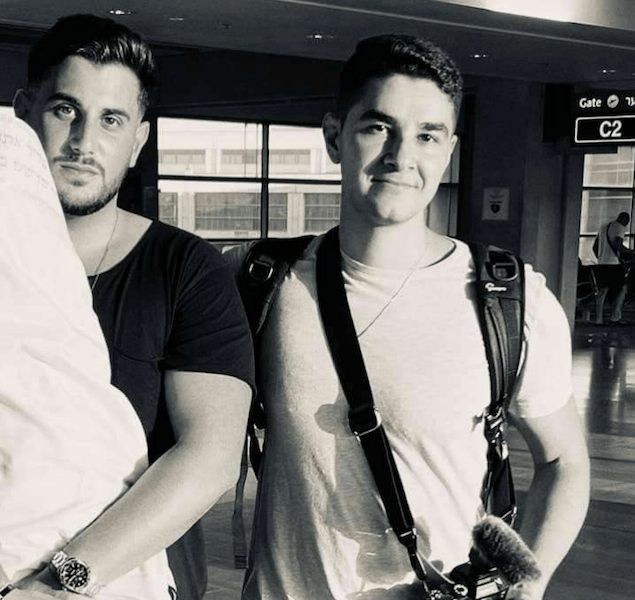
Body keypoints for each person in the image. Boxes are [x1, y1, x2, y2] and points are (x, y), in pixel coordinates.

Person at [0, 14, 254, 600]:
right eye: (64, 109)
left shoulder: (186, 270)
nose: (83, 141)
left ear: (139, 140)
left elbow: (209, 457)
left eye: (111, 119)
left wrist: (58, 586)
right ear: (24, 112)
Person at [240, 35, 591, 600]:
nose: (402, 157)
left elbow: (563, 461)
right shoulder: (259, 280)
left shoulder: (508, 301)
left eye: (427, 135)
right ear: (335, 137)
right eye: (378, 128)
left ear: (448, 150)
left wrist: (530, 580)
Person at [591, 211, 634, 324]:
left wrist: (601, 258)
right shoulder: (620, 227)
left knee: (602, 292)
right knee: (623, 288)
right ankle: (615, 317)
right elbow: (617, 245)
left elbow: (594, 248)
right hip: (614, 264)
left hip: (601, 265)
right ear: (625, 220)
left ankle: (598, 320)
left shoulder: (603, 227)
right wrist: (631, 252)